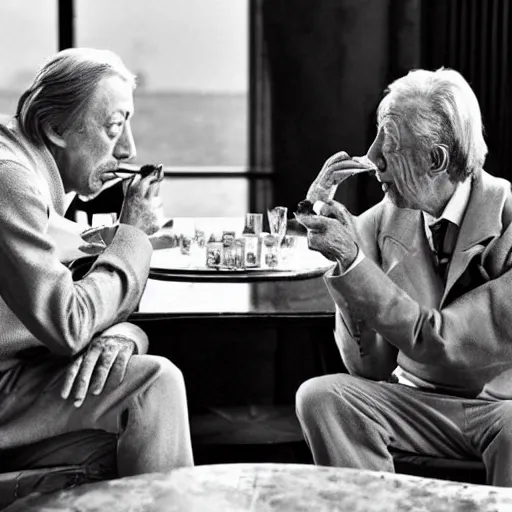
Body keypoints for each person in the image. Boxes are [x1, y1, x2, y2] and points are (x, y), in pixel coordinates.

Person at [295, 68, 512, 486]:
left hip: (498, 407)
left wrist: (356, 262)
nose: (371, 157)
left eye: (388, 145)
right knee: (323, 397)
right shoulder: (379, 222)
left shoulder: (508, 219)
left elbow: (443, 342)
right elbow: (369, 368)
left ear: (436, 159)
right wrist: (343, 260)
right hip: (413, 401)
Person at [0, 48, 194, 480]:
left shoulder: (23, 167)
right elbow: (68, 325)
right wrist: (134, 234)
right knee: (152, 384)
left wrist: (125, 331)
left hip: (21, 380)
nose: (128, 149)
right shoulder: (9, 180)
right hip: (7, 393)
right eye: (113, 127)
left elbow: (73, 286)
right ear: (55, 128)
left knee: (143, 408)